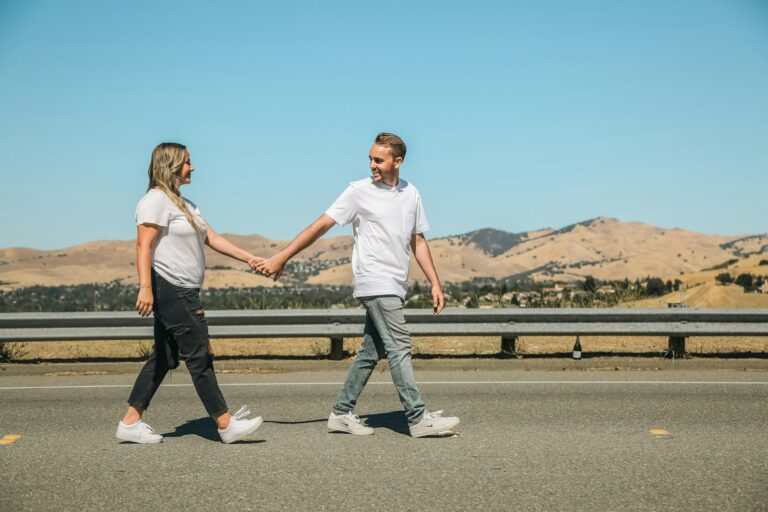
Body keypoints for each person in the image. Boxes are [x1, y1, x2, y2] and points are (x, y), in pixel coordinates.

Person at [256, 132, 459, 437]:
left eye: (379, 160)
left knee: (371, 351)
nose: (372, 165)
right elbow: (320, 225)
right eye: (370, 159)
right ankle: (418, 418)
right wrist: (281, 257)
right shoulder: (358, 191)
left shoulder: (411, 193)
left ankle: (341, 413)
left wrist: (434, 282)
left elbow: (417, 239)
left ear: (397, 162)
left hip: (395, 282)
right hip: (375, 280)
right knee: (400, 346)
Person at [116, 142, 263, 444]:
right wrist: (145, 288)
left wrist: (250, 259)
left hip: (183, 290)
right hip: (172, 288)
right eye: (186, 162)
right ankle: (225, 424)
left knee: (164, 358)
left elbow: (213, 238)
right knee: (200, 355)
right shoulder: (155, 200)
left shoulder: (185, 204)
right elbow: (143, 245)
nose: (192, 167)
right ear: (170, 165)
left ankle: (130, 422)